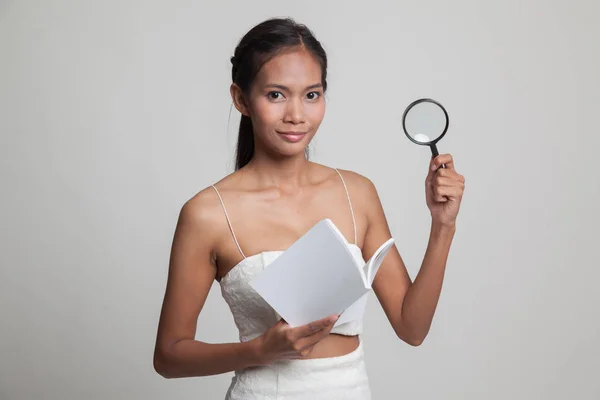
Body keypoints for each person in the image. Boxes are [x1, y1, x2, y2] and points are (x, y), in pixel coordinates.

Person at [153, 17, 465, 399]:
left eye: (311, 95)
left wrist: (442, 226)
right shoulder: (207, 213)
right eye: (276, 95)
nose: (297, 115)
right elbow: (169, 356)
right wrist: (259, 351)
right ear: (241, 99)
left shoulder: (357, 193)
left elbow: (412, 328)